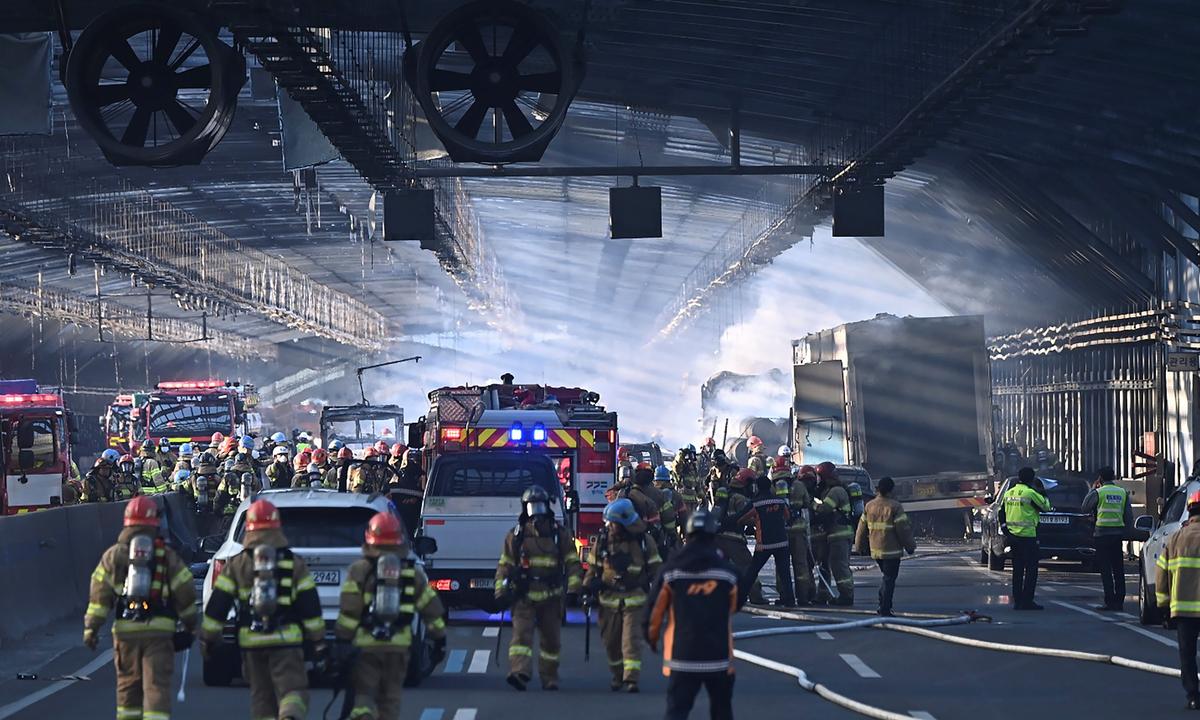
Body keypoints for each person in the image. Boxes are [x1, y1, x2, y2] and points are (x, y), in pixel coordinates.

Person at [200, 499, 326, 720]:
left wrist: (208, 641)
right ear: (277, 526)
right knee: (292, 691)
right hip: (287, 642)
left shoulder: (237, 564)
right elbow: (310, 607)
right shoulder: (294, 563)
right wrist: (318, 641)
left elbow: (218, 606)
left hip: (251, 643)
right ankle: (289, 714)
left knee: (261, 697)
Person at [83, 496, 197, 720]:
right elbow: (185, 592)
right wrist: (191, 625)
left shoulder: (113, 555)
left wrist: (91, 630)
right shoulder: (166, 556)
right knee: (156, 687)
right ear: (155, 523)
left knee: (128, 688)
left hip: (126, 631)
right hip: (160, 631)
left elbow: (99, 597)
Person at [334, 511, 447, 720]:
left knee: (363, 696)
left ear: (370, 537)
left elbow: (349, 611)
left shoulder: (359, 570)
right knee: (389, 700)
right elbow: (432, 610)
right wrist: (439, 641)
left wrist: (342, 641)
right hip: (399, 648)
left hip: (366, 647)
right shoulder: (411, 572)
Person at [646, 509, 744, 720]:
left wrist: (652, 638)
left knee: (677, 712)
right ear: (712, 536)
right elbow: (735, 605)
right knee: (722, 712)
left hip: (682, 657)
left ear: (688, 535)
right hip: (718, 657)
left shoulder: (671, 572)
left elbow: (654, 612)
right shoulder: (728, 573)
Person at [495, 486, 582, 691]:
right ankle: (519, 672)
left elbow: (572, 563)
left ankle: (549, 677)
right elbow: (505, 565)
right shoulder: (515, 536)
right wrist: (500, 591)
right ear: (525, 508)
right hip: (523, 596)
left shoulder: (559, 534)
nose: (537, 511)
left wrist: (574, 590)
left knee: (551, 641)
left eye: (540, 505)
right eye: (532, 506)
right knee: (520, 636)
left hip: (551, 597)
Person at [584, 498, 663, 692]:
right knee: (611, 642)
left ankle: (631, 679)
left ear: (624, 523)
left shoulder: (644, 541)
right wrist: (587, 588)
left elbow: (656, 570)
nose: (609, 527)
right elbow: (592, 569)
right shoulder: (603, 541)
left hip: (635, 599)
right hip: (608, 600)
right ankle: (618, 675)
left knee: (631, 640)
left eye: (613, 523)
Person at [1157, 489, 1200, 709]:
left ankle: (1193, 696)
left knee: (1187, 655)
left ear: (1189, 510)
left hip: (1184, 612)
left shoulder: (1175, 539)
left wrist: (1164, 607)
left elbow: (1162, 575)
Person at [854, 477, 916, 616]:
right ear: (891, 490)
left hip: (876, 551)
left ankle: (884, 604)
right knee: (889, 579)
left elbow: (861, 528)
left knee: (886, 577)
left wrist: (859, 546)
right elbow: (903, 530)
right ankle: (885, 607)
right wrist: (910, 546)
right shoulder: (894, 506)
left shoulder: (869, 506)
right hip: (892, 551)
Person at [736, 472, 795, 607]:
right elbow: (787, 517)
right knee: (785, 573)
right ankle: (790, 600)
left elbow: (741, 518)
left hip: (764, 544)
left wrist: (753, 523)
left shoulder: (756, 503)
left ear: (757, 487)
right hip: (781, 542)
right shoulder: (779, 501)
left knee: (752, 572)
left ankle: (741, 598)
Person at [999, 467, 1053, 610]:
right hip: (1029, 537)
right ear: (1032, 479)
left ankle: (1017, 600)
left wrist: (1006, 530)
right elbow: (1046, 507)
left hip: (1013, 537)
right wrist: (1043, 492)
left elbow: (1001, 513)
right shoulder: (1031, 493)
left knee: (1017, 570)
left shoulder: (1009, 493)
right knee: (1031, 570)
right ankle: (1027, 600)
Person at [1081, 466, 1133, 611]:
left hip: (1101, 535)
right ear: (1114, 477)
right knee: (1118, 569)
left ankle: (1109, 601)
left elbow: (1084, 507)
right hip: (1117, 536)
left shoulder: (1099, 492)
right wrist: (1127, 533)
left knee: (1105, 569)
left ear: (1100, 478)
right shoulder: (1122, 492)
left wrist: (1093, 488)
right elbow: (1128, 516)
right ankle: (1119, 601)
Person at [812, 462, 854, 605]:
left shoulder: (836, 491)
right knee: (827, 565)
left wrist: (811, 503)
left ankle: (846, 595)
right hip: (835, 534)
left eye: (819, 476)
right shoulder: (832, 489)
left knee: (839, 566)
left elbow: (825, 509)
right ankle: (823, 594)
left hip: (840, 535)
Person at [787, 464, 816, 605]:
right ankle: (803, 597)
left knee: (783, 565)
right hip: (798, 531)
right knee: (801, 565)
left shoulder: (774, 486)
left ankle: (785, 596)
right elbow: (807, 503)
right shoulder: (799, 486)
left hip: (783, 531)